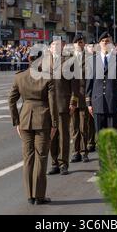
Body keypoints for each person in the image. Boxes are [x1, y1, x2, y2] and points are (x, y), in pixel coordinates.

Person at [8, 50, 58, 205]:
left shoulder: (19, 77)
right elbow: (53, 103)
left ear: (29, 60)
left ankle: (30, 195)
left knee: (28, 157)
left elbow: (11, 101)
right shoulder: (47, 77)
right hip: (43, 120)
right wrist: (55, 124)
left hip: (25, 120)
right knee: (41, 157)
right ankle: (40, 196)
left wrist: (16, 121)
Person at [85, 32, 117, 139]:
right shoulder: (92, 61)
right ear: (99, 44)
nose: (105, 43)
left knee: (112, 134)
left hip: (113, 103)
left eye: (107, 41)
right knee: (100, 135)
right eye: (103, 41)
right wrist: (89, 103)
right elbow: (89, 84)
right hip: (97, 103)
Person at [48, 38, 78, 176]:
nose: (56, 47)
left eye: (59, 44)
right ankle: (54, 163)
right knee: (51, 136)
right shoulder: (43, 62)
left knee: (63, 136)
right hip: (48, 107)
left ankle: (63, 163)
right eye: (54, 44)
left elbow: (75, 84)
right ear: (50, 47)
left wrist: (73, 102)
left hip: (63, 104)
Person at [70, 34, 91, 164]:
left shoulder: (89, 58)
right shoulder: (68, 58)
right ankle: (75, 151)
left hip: (83, 95)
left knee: (84, 126)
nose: (79, 44)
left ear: (84, 44)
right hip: (72, 96)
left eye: (81, 42)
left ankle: (84, 152)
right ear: (73, 44)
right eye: (77, 42)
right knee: (74, 127)